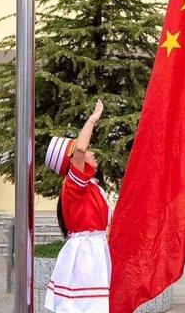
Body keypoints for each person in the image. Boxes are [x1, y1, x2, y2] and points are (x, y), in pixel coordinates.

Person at [44, 100, 111, 313]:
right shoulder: (73, 186)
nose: (92, 153)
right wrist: (94, 117)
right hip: (86, 254)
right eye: (88, 151)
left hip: (95, 250)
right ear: (73, 161)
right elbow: (81, 148)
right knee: (87, 307)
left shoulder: (90, 186)